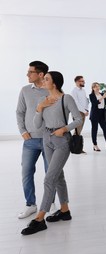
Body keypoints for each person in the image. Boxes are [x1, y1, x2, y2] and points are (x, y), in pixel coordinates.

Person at [21, 71, 82, 235]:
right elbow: (37, 124)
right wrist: (40, 108)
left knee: (49, 178)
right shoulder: (43, 100)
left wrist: (64, 129)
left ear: (54, 83)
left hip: (62, 140)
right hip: (46, 138)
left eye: (46, 79)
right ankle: (65, 210)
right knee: (58, 176)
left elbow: (78, 119)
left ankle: (40, 218)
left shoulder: (66, 98)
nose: (43, 80)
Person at [16, 61, 52, 219]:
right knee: (26, 172)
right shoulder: (25, 90)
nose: (27, 75)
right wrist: (23, 131)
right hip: (30, 140)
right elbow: (19, 112)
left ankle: (49, 202)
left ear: (40, 74)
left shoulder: (52, 90)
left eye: (30, 72)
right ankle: (30, 204)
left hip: (48, 139)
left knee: (51, 173)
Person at [89, 82, 106, 151]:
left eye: (98, 86)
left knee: (105, 129)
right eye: (95, 87)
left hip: (102, 114)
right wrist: (103, 97)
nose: (97, 88)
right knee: (95, 130)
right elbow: (95, 103)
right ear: (93, 88)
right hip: (95, 114)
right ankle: (95, 145)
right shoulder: (91, 95)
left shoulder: (101, 94)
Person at [71, 75, 89, 154]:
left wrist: (86, 110)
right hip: (77, 112)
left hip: (84, 112)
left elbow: (86, 101)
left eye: (83, 81)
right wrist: (84, 111)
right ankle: (75, 148)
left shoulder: (83, 90)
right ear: (77, 82)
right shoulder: (74, 91)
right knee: (77, 130)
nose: (84, 82)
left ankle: (76, 147)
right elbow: (76, 103)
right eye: (82, 81)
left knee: (79, 130)